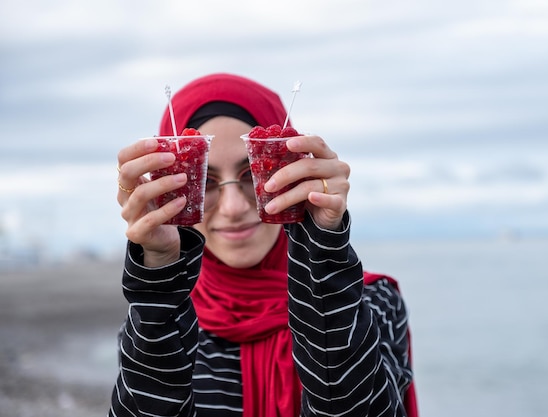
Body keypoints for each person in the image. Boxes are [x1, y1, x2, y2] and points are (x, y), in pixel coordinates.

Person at [110, 73, 418, 417]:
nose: (234, 208)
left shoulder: (368, 300)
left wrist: (323, 249)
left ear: (293, 170)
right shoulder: (164, 319)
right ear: (170, 186)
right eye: (205, 180)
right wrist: (158, 279)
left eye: (252, 175)